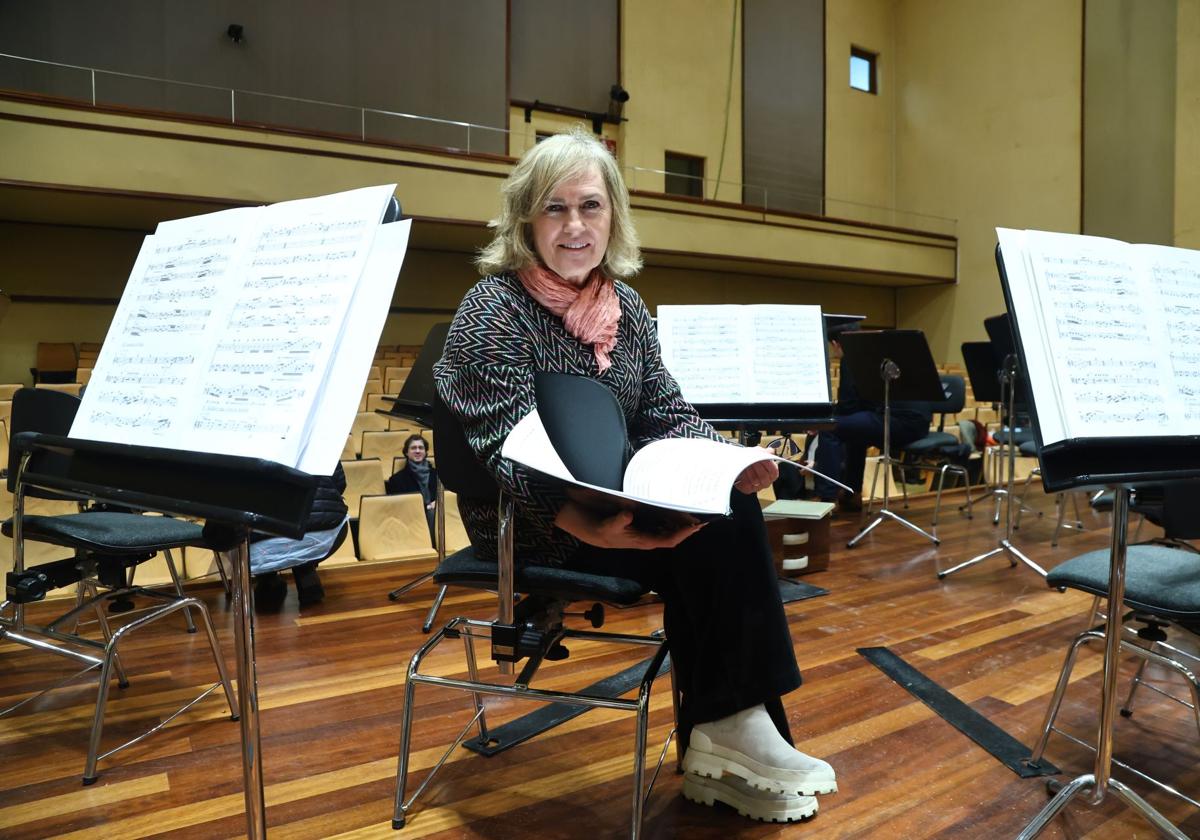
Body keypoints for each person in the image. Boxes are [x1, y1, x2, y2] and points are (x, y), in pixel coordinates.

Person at [433, 127, 835, 824]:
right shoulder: (492, 308)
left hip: (615, 499)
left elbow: (668, 410)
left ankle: (727, 736)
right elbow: (502, 445)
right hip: (527, 523)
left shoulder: (626, 310)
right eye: (554, 209)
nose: (575, 225)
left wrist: (725, 462)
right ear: (526, 219)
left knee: (726, 506)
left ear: (613, 213)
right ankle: (731, 733)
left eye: (590, 205)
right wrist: (576, 516)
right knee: (716, 534)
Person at [812, 328, 933, 512]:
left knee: (830, 428)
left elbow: (848, 405)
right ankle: (852, 494)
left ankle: (827, 498)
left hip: (896, 421)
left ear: (836, 344)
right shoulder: (885, 355)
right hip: (919, 424)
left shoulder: (852, 358)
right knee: (856, 430)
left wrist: (824, 417)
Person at [251, 463, 349, 609]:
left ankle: (267, 582)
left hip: (261, 539)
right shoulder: (319, 439)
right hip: (325, 531)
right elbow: (339, 483)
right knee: (302, 537)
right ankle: (307, 577)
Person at [384, 433, 438, 540]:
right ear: (406, 453)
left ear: (426, 452)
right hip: (411, 520)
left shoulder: (438, 475)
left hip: (438, 516)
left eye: (421, 448)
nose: (417, 451)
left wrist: (438, 503)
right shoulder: (396, 480)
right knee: (431, 513)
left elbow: (447, 496)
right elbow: (398, 507)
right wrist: (426, 507)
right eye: (413, 448)